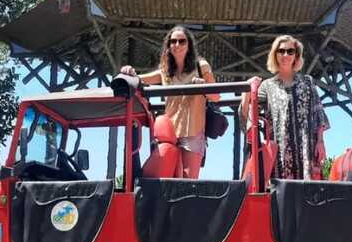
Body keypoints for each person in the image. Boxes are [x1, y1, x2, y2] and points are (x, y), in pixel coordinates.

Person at [121, 26, 219, 179]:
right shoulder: (165, 71)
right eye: (173, 41)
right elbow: (140, 79)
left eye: (182, 41)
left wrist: (203, 86)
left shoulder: (201, 66)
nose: (177, 45)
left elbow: (216, 96)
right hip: (170, 133)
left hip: (192, 131)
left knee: (188, 181)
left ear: (189, 45)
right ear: (168, 46)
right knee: (168, 179)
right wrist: (129, 72)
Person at [240, 35, 330, 180]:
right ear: (275, 55)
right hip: (280, 154)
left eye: (290, 51)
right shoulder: (267, 86)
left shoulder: (308, 82)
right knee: (283, 196)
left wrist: (320, 143)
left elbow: (318, 114)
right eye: (281, 51)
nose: (285, 55)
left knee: (307, 196)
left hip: (307, 150)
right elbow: (249, 116)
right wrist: (247, 89)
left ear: (296, 55)